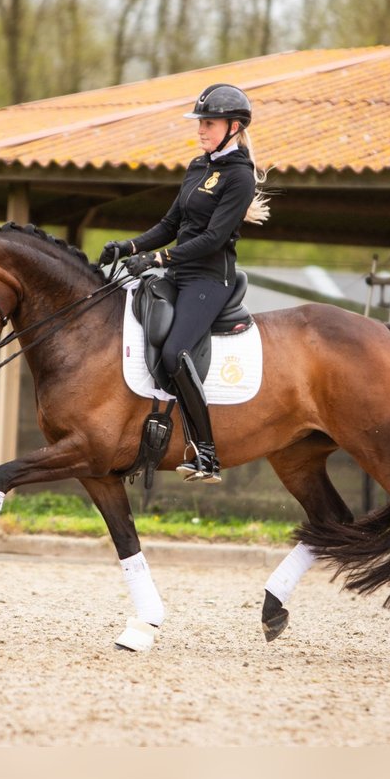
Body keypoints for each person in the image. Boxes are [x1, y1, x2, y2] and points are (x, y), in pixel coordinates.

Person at [99, 83, 269, 484]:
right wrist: (129, 245)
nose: (200, 131)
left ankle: (207, 452)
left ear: (233, 126)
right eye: (200, 124)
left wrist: (157, 258)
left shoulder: (240, 176)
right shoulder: (199, 166)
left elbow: (212, 239)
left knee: (176, 351)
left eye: (207, 124)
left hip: (211, 278)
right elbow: (171, 224)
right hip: (179, 272)